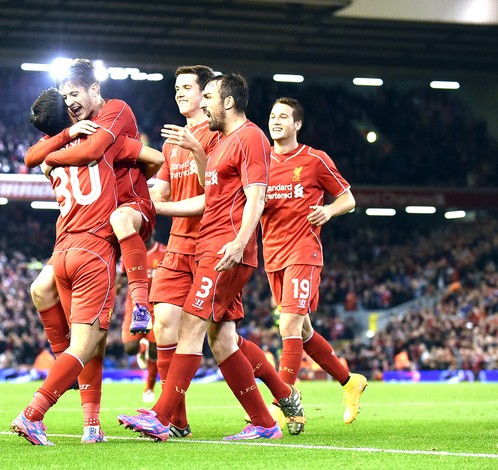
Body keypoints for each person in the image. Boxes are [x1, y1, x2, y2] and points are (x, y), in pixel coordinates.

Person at [117, 73, 285, 442]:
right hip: (211, 245)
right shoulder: (222, 142)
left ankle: (163, 417)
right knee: (222, 339)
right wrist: (194, 157)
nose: (204, 102)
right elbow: (211, 193)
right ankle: (266, 420)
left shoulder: (252, 137)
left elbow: (257, 195)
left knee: (191, 327)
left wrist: (241, 242)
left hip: (225, 248)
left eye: (208, 95)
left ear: (227, 102)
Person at [10, 62, 163, 446]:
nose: (72, 102)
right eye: (67, 99)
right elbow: (150, 156)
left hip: (62, 249)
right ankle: (33, 413)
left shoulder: (52, 159)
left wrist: (56, 148)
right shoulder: (102, 142)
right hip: (96, 249)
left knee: (84, 339)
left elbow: (33, 158)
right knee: (85, 345)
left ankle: (91, 425)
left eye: (74, 94)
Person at [261, 97, 367, 428]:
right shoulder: (260, 162)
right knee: (303, 330)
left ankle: (284, 404)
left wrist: (328, 211)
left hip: (304, 251)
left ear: (297, 125)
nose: (276, 121)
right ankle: (350, 381)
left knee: (289, 326)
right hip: (272, 255)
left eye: (284, 117)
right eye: (273, 115)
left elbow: (348, 199)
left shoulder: (314, 159)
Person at [119, 233, 167, 403]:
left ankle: (149, 389)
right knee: (129, 348)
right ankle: (141, 348)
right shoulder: (130, 253)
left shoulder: (164, 252)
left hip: (156, 305)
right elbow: (122, 278)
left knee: (156, 351)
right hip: (135, 305)